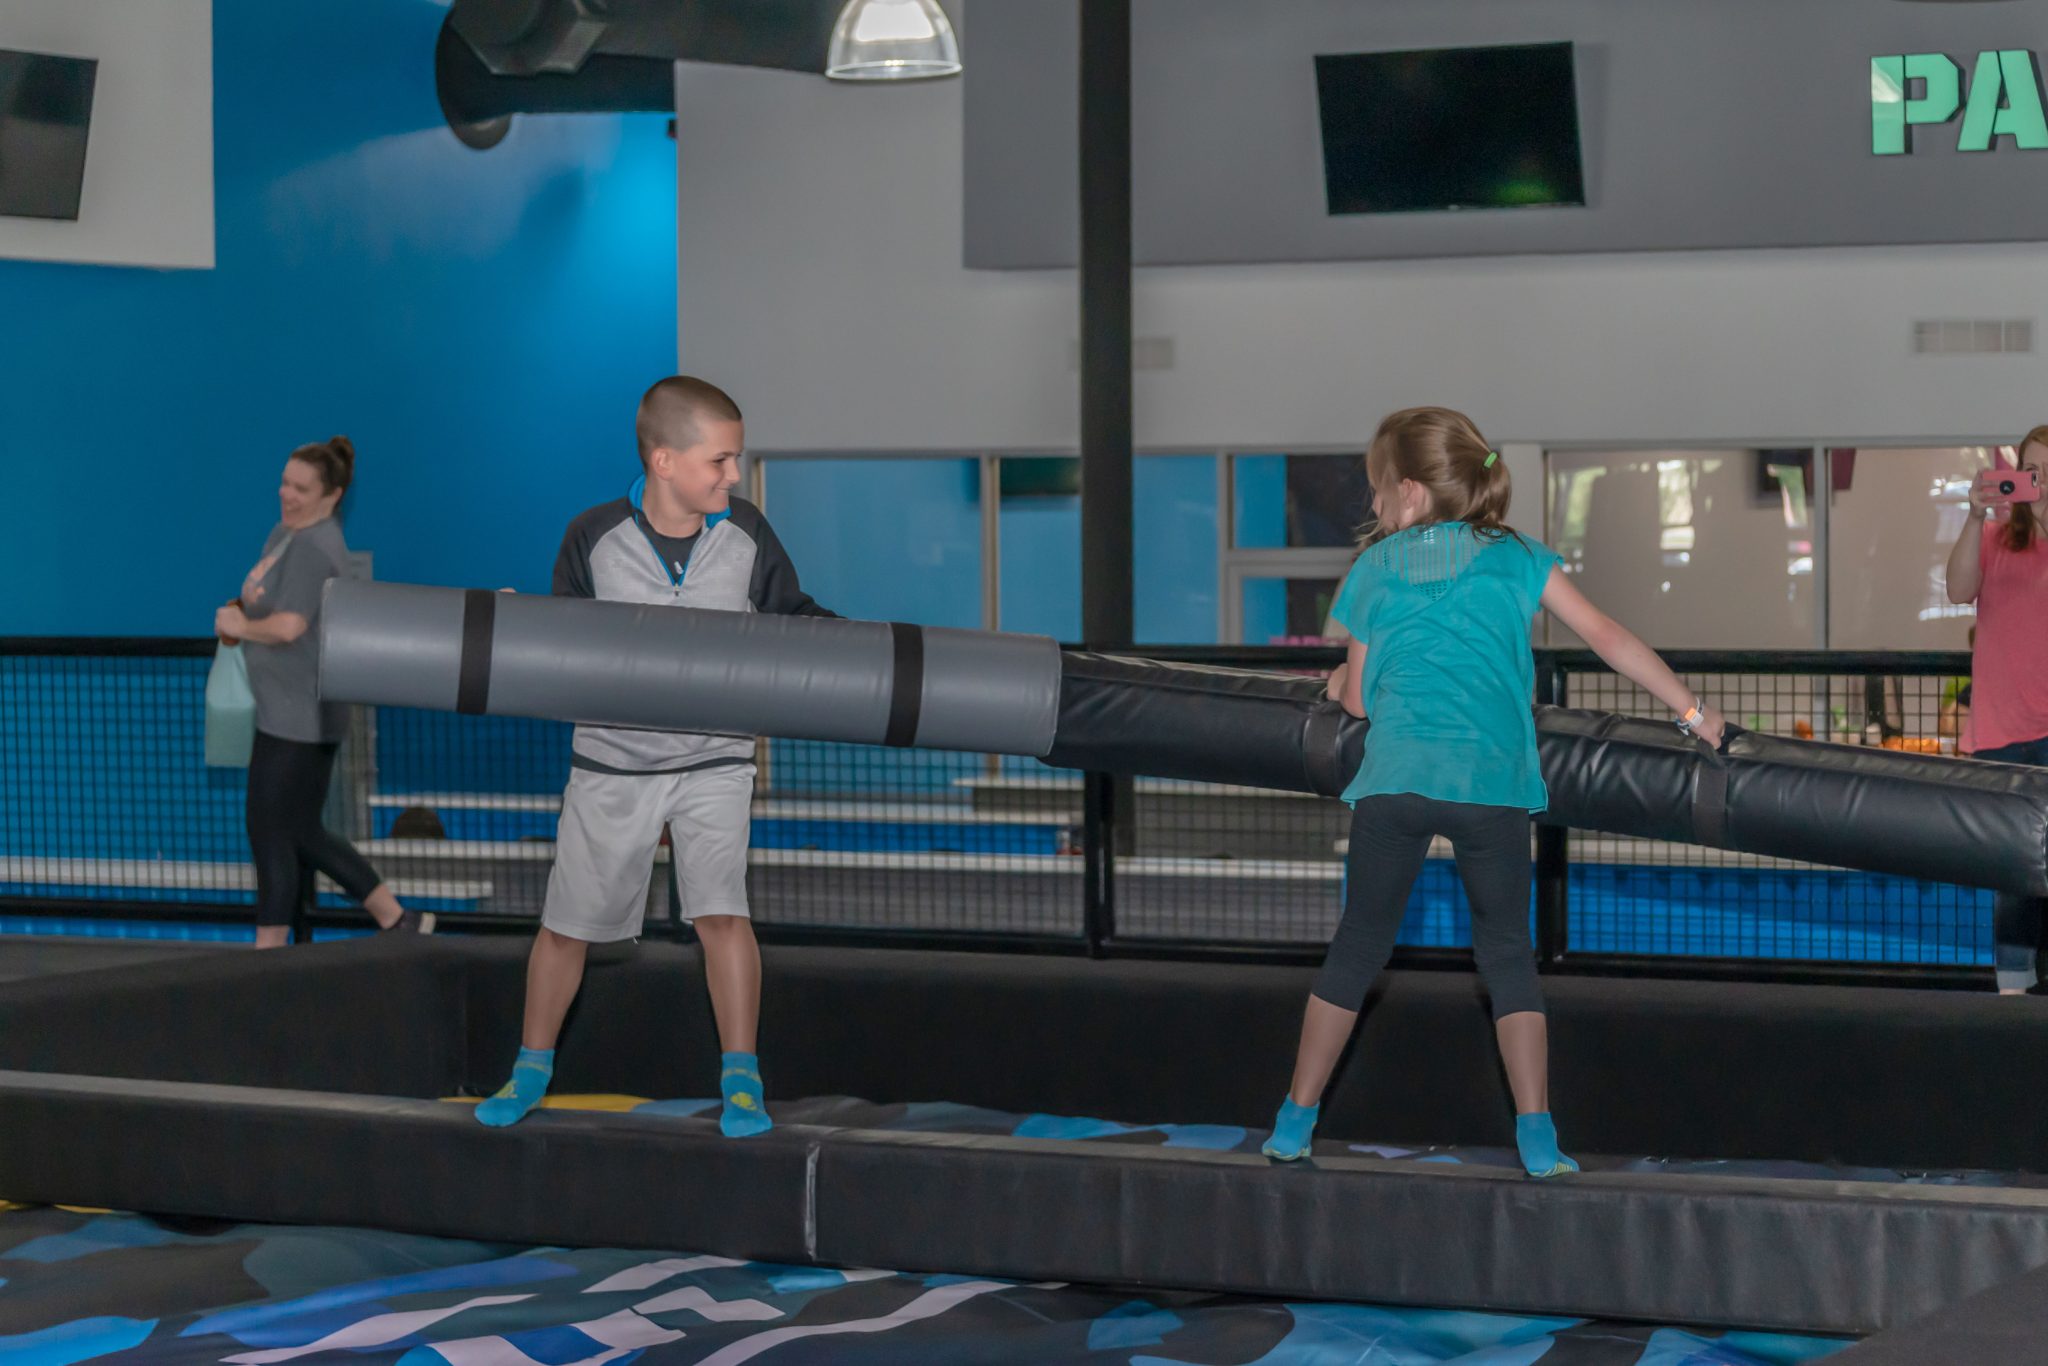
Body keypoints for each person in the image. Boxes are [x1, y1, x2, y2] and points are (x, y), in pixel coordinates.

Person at [1267, 407, 1726, 1176]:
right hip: (1492, 787)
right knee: (1508, 956)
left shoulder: (1376, 569)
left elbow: (1358, 706)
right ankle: (1538, 1135)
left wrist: (1343, 677)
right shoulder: (1517, 557)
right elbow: (1606, 635)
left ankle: (1294, 1120)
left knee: (1356, 950)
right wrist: (1693, 711)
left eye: (1378, 489)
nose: (1373, 505)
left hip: (1399, 782)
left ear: (1411, 494)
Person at [476, 376, 835, 1135]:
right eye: (722, 461)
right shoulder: (593, 536)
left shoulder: (748, 535)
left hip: (715, 758)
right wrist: (514, 629)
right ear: (666, 461)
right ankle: (528, 1070)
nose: (734, 477)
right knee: (567, 925)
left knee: (723, 915)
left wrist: (857, 647)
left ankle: (742, 1079)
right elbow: (563, 644)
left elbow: (794, 617)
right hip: (613, 762)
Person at [215, 437, 426, 949]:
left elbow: (290, 625)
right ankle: (396, 918)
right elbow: (269, 607)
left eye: (300, 488)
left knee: (271, 831)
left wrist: (241, 626)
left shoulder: (316, 547)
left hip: (299, 717)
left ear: (331, 496)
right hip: (283, 710)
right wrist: (239, 617)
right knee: (299, 830)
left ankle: (268, 951)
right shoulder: (286, 535)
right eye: (285, 482)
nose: (286, 493)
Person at [1944, 432, 2048, 994]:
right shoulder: (1992, 537)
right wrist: (1972, 517)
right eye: (2032, 470)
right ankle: (2012, 988)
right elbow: (1958, 589)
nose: (2039, 482)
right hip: (2002, 735)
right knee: (2014, 870)